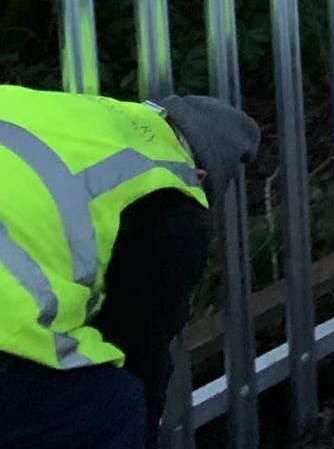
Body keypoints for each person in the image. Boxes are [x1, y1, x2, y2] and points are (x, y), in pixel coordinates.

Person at [0, 85, 260, 449]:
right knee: (114, 404)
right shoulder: (168, 191)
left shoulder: (83, 116)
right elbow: (141, 348)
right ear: (200, 175)